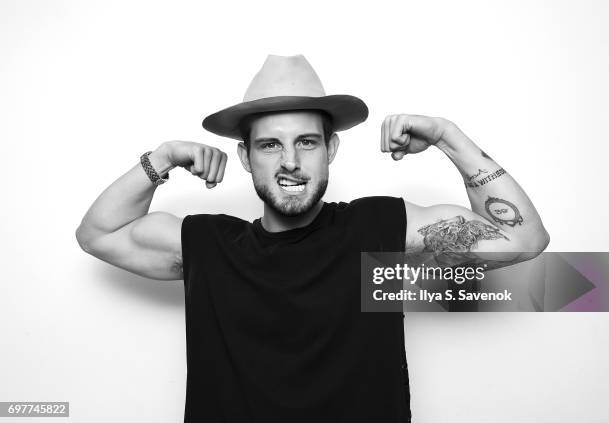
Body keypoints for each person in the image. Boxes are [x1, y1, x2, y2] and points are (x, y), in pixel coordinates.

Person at [75, 54, 549, 422]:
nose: (289, 162)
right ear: (245, 157)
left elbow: (523, 238)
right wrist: (162, 159)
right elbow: (97, 234)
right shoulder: (209, 245)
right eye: (269, 145)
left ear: (330, 150)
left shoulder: (378, 231)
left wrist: (449, 136)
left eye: (306, 141)